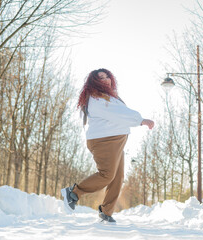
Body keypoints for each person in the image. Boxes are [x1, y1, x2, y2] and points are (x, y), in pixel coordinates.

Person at [61, 68, 154, 223]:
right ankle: (73, 192)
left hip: (115, 141)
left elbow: (119, 111)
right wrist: (140, 120)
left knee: (117, 178)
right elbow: (117, 113)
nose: (105, 80)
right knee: (107, 175)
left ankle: (106, 212)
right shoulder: (96, 98)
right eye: (101, 78)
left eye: (107, 77)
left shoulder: (110, 96)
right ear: (94, 82)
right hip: (104, 141)